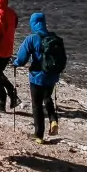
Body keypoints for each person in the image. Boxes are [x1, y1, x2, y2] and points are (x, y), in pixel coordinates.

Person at [13, 11, 67, 143]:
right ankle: (53, 119)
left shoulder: (32, 38)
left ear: (33, 23)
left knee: (37, 105)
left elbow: (22, 58)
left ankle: (39, 135)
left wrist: (15, 63)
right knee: (47, 97)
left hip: (37, 77)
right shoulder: (54, 38)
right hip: (52, 75)